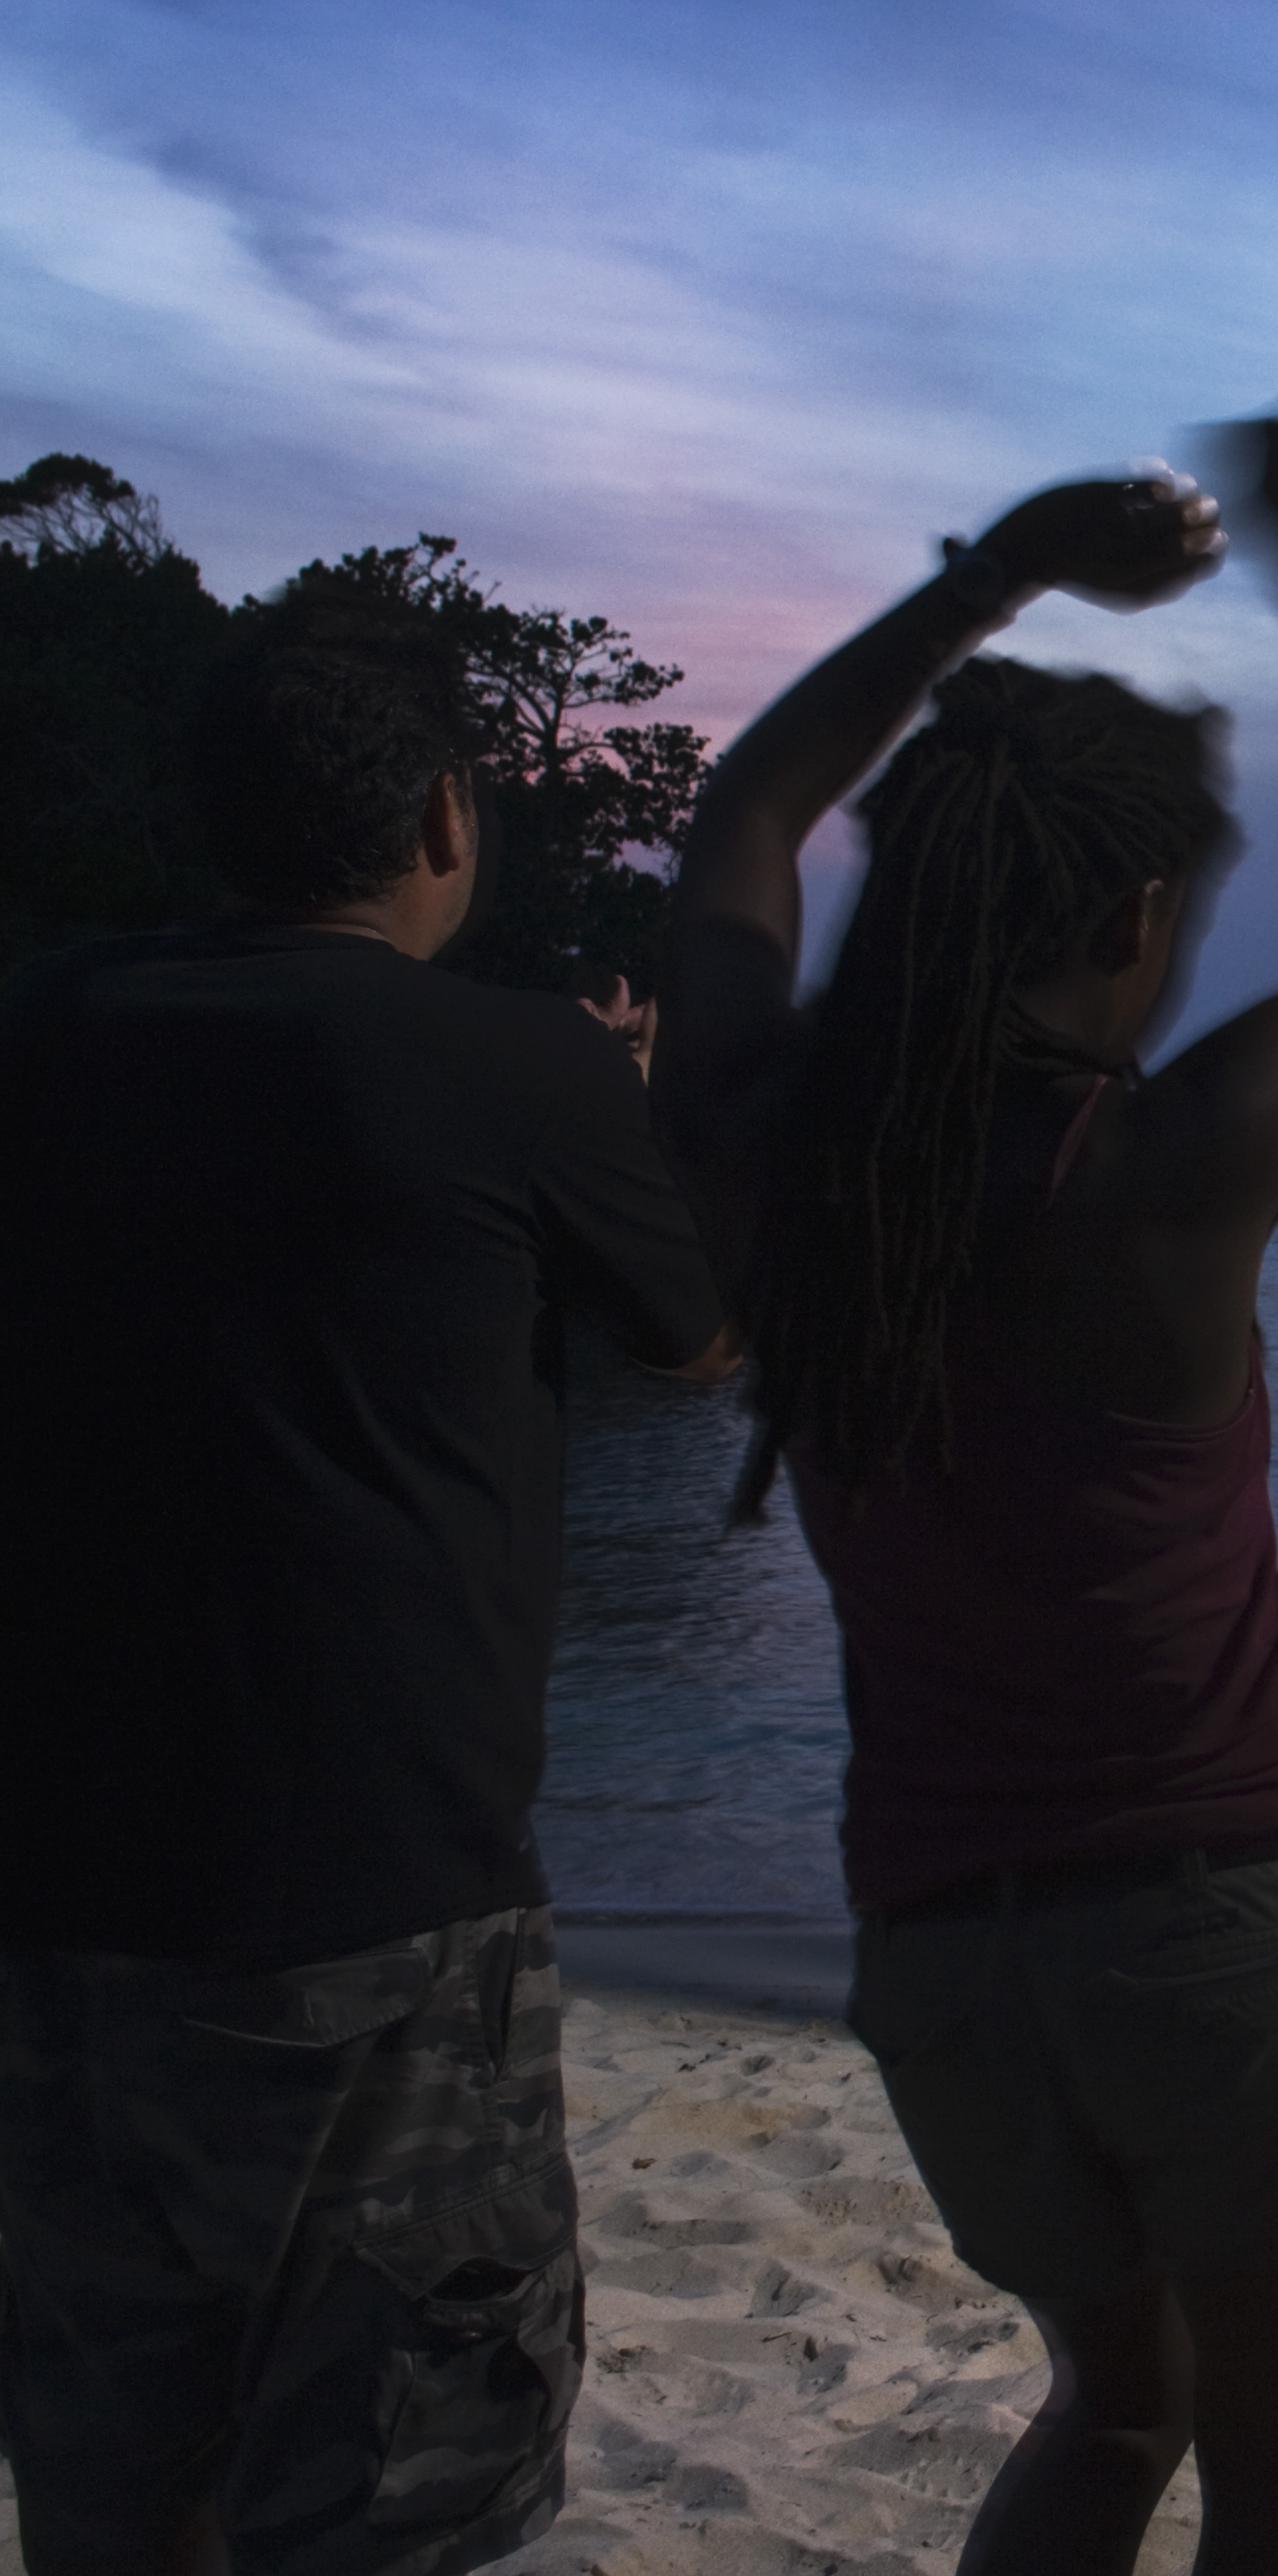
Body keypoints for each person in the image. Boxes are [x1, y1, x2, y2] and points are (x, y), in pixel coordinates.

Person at [651, 401, 1278, 2576]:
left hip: (946, 1945)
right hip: (1225, 1918)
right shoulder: (1149, 1170)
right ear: (1135, 913)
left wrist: (989, 574)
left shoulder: (766, 1153)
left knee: (1115, 2399)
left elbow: (747, 806)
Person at [0, 570, 730, 2575]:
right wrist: (625, 1104)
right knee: (408, 2489)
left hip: (61, 1910)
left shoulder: (46, 1029)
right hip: (388, 1913)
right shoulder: (519, 1068)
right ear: (439, 820)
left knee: (116, 2482)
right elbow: (700, 1336)